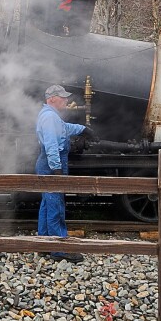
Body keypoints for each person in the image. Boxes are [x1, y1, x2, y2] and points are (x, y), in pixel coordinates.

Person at [36, 84, 97, 264]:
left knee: (47, 204)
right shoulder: (49, 118)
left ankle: (44, 243)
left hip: (47, 162)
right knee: (56, 205)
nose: (66, 100)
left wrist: (83, 129)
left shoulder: (51, 116)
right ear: (52, 98)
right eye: (62, 97)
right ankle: (59, 248)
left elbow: (64, 128)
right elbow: (51, 146)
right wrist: (57, 169)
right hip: (51, 163)